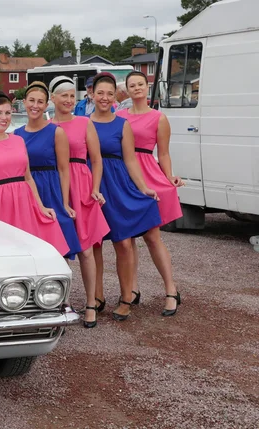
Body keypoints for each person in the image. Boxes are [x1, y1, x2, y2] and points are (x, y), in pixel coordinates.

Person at [0, 90, 69, 255]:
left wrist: (41, 206)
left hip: (24, 205)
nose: (4, 117)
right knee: (2, 253)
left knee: (30, 251)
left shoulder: (18, 140)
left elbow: (28, 178)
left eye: (8, 113)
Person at [89, 72, 161, 321]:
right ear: (92, 94)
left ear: (115, 97)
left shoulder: (122, 124)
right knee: (94, 244)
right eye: (100, 93)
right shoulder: (83, 122)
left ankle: (126, 298)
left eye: (110, 93)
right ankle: (96, 297)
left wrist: (143, 188)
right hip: (92, 186)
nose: (105, 98)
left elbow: (131, 160)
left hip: (117, 186)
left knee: (123, 243)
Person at [116, 71, 183, 316]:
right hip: (123, 177)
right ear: (127, 90)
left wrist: (169, 177)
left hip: (147, 175)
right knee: (127, 239)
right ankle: (132, 290)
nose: (136, 88)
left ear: (147, 87)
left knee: (152, 237)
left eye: (140, 84)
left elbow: (163, 153)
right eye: (132, 85)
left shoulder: (159, 118)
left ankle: (171, 290)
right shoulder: (119, 116)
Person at [49, 75, 110, 328]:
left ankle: (91, 303)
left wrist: (94, 188)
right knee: (59, 250)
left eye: (73, 95)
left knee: (86, 248)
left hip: (82, 186)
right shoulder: (46, 125)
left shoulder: (85, 123)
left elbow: (96, 160)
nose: (69, 100)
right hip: (56, 187)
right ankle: (58, 303)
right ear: (53, 98)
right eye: (64, 95)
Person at [14, 81, 81, 261]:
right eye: (31, 101)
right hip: (26, 191)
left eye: (40, 102)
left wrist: (65, 203)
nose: (35, 106)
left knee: (58, 240)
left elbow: (64, 169)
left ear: (46, 105)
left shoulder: (56, 132)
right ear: (24, 102)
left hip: (50, 189)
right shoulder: (16, 134)